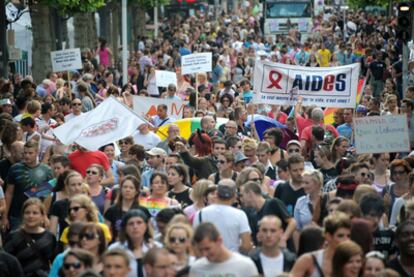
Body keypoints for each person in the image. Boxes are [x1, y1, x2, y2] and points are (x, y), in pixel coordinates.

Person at [3, 141, 53, 231]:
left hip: (37, 215)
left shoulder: (47, 171)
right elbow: (9, 193)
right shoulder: (15, 168)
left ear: (37, 152)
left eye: (30, 153)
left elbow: (47, 196)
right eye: (25, 153)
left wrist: (44, 215)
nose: (27, 156)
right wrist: (5, 216)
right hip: (16, 215)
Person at [193, 179, 252, 253]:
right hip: (232, 259)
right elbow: (246, 245)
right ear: (235, 196)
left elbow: (195, 242)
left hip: (208, 259)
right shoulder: (240, 215)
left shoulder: (200, 213)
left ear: (217, 194)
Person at [4, 198, 56, 276]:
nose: (30, 216)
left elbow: (55, 263)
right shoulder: (13, 236)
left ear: (42, 216)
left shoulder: (49, 237)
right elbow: (6, 262)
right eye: (27, 213)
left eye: (35, 213)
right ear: (22, 215)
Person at [290, 212, 351, 276]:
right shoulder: (308, 260)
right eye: (340, 236)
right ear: (328, 236)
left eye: (348, 236)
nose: (346, 240)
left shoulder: (353, 262)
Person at [240, 181, 296, 248]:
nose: (241, 199)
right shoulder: (253, 215)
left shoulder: (273, 203)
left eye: (242, 195)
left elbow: (292, 222)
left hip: (284, 252)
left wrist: (283, 239)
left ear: (250, 194)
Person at [190, 222, 259, 276]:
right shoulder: (197, 268)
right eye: (201, 250)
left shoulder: (245, 265)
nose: (204, 254)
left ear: (219, 241)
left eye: (207, 249)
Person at [109, 209, 160, 277]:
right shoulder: (115, 249)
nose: (135, 227)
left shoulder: (157, 248)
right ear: (125, 228)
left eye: (139, 223)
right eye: (131, 224)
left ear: (146, 226)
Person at [104, 176, 150, 241]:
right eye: (125, 187)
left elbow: (149, 233)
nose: (127, 190)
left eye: (131, 188)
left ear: (136, 191)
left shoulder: (143, 211)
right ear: (121, 190)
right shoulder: (112, 210)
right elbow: (105, 233)